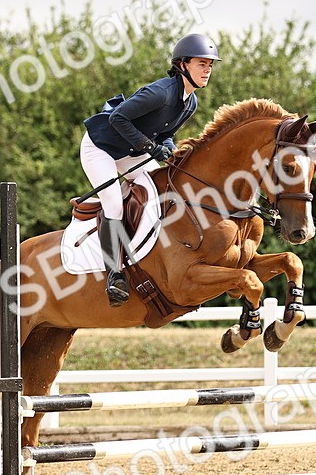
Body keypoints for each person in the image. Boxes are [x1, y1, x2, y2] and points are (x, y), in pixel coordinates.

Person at [81, 33, 221, 306]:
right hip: (101, 148)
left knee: (163, 189)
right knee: (113, 204)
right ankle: (114, 274)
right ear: (182, 65)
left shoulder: (191, 102)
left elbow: (167, 133)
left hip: (131, 152)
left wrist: (166, 146)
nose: (207, 70)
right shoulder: (160, 92)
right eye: (201, 64)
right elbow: (117, 117)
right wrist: (148, 146)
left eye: (210, 65)